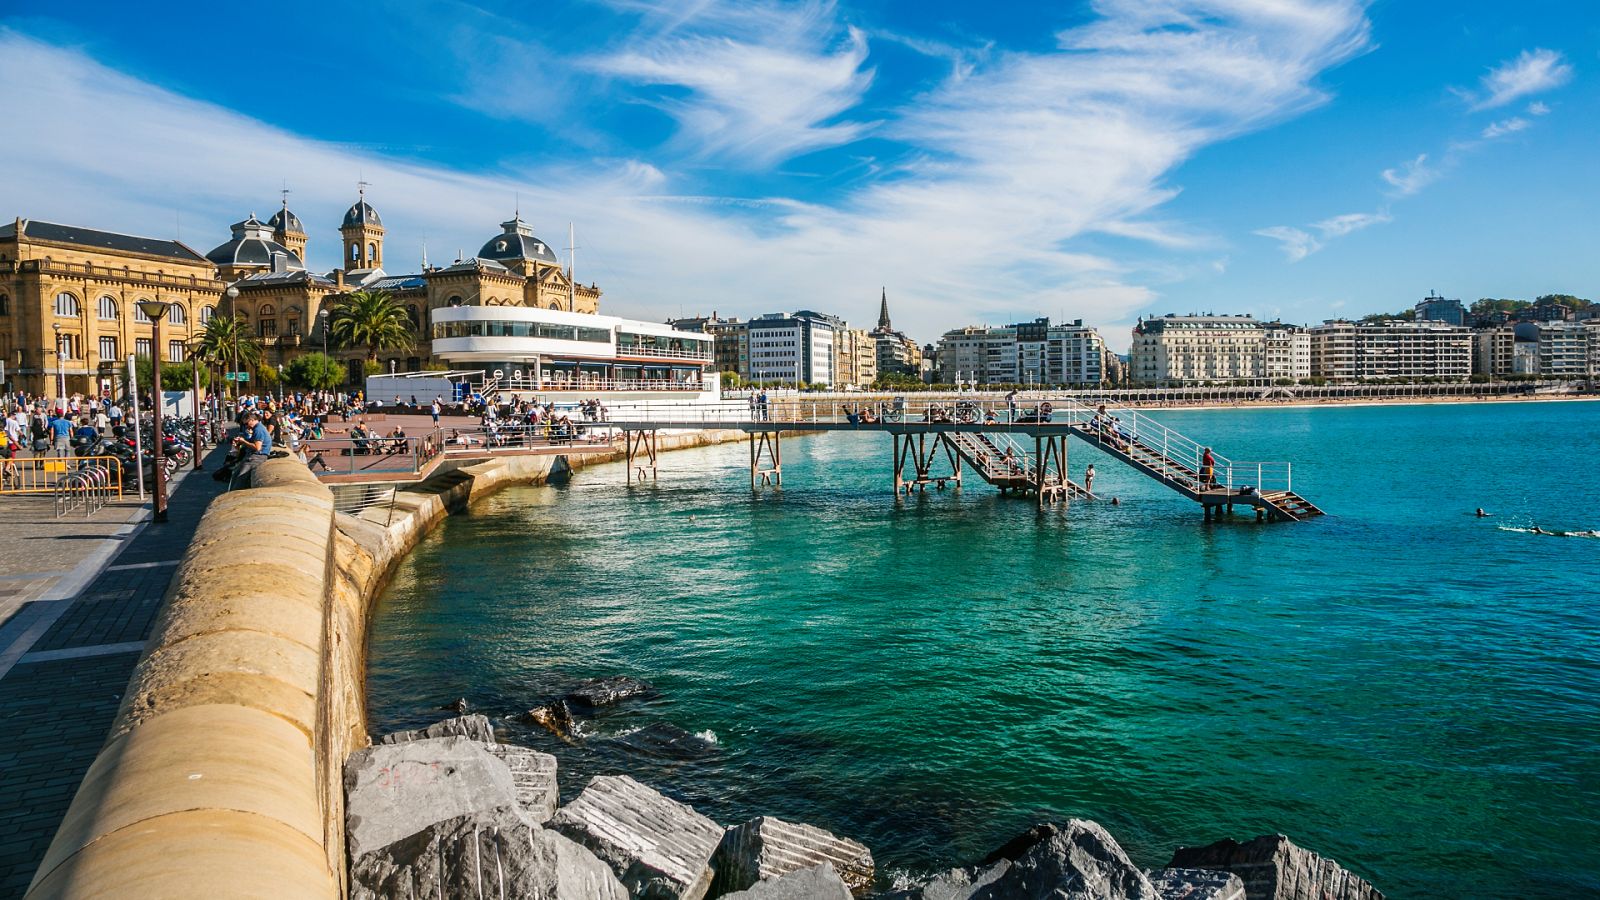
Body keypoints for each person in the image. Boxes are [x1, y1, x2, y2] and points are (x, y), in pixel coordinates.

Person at [230, 410, 272, 483]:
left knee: (239, 479)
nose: (246, 426)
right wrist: (241, 441)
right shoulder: (258, 428)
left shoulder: (258, 429)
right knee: (235, 474)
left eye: (246, 424)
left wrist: (243, 441)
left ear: (252, 420)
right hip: (254, 456)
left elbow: (257, 447)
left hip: (257, 457)